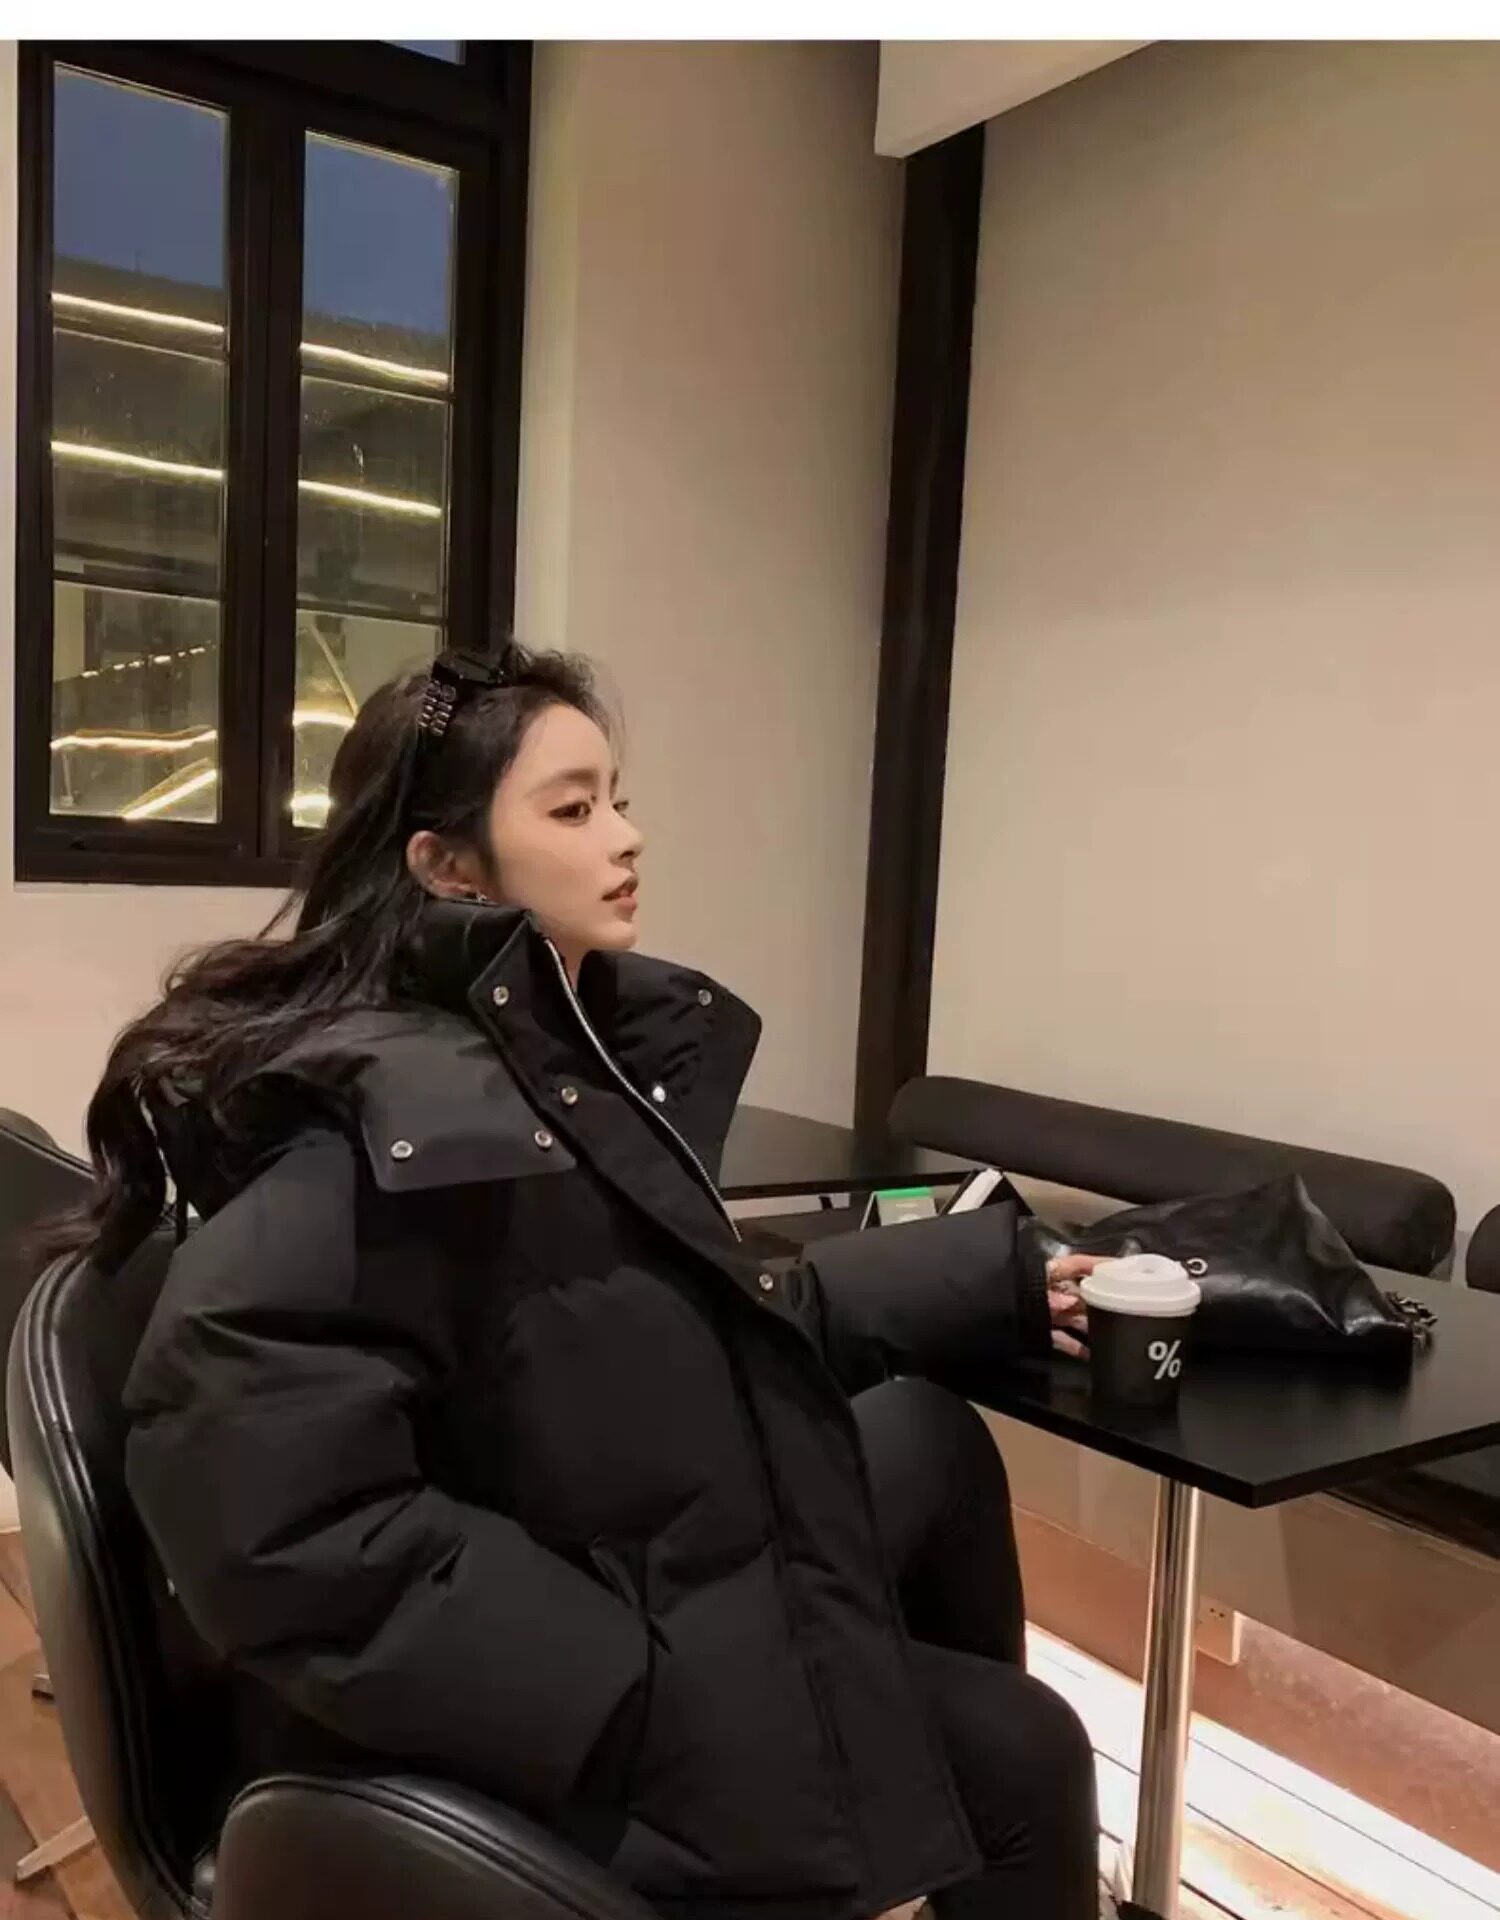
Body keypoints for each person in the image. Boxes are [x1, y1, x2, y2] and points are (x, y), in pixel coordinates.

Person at [48, 642, 1101, 1920]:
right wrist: (621, 1689)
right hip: (589, 1708)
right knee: (1026, 1756)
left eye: (617, 799)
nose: (627, 835)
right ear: (445, 866)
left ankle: (886, 1823)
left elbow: (672, 1330)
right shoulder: (392, 1127)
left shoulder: (545, 1070)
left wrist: (982, 1269)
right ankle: (876, 1825)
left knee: (930, 1435)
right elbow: (264, 1505)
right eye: (572, 809)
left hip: (624, 1547)